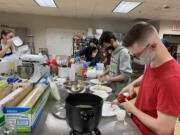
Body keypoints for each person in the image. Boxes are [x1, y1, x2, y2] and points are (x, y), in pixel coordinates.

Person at [120, 22, 180, 135]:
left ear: (153, 45)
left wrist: (133, 109)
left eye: (136, 55)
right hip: (137, 127)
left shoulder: (172, 79)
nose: (135, 59)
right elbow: (151, 75)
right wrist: (132, 84)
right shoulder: (151, 59)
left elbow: (164, 130)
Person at [98, 31, 132, 97]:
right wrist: (104, 73)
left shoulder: (123, 53)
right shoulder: (114, 51)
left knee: (120, 106)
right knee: (111, 106)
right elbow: (113, 66)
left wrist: (107, 79)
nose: (106, 48)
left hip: (122, 91)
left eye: (106, 45)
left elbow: (126, 75)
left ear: (112, 40)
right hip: (114, 88)